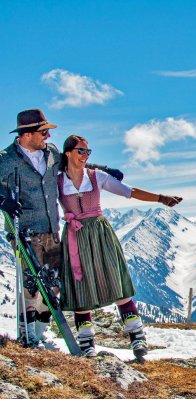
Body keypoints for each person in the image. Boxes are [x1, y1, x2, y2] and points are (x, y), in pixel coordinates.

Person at [0, 109, 123, 349]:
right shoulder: (7, 159)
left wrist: (104, 169)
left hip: (52, 228)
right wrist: (2, 199)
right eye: (42, 132)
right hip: (24, 230)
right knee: (32, 283)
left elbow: (71, 165)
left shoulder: (52, 153)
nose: (47, 136)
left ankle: (41, 330)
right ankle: (28, 333)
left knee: (54, 282)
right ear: (26, 134)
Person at [58, 134, 182, 357]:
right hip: (75, 236)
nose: (85, 156)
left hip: (99, 232)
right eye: (81, 151)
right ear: (68, 153)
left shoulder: (97, 177)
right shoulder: (57, 180)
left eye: (88, 152)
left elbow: (129, 191)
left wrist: (161, 198)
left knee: (115, 279)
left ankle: (137, 336)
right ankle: (86, 340)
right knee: (81, 285)